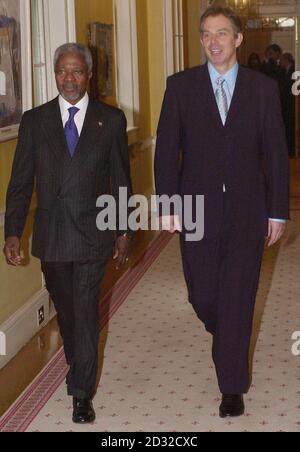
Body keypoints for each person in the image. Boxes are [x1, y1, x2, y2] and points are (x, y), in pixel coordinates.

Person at [155, 6, 289, 418]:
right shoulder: (181, 87)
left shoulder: (262, 89)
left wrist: (278, 212)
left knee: (239, 294)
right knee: (202, 295)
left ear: (237, 39)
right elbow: (165, 151)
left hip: (249, 210)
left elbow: (276, 155)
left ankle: (232, 387)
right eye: (206, 34)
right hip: (196, 210)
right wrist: (167, 203)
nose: (213, 41)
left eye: (222, 33)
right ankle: (225, 330)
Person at [3, 43, 133, 424]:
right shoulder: (35, 120)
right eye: (62, 71)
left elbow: (121, 181)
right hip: (53, 235)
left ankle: (81, 393)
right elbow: (20, 182)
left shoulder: (109, 120)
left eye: (77, 71)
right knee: (70, 313)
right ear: (55, 74)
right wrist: (13, 232)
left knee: (87, 311)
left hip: (95, 235)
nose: (70, 78)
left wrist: (124, 228)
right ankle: (81, 363)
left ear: (88, 75)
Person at [280, 52, 296, 157]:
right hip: (286, 105)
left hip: (291, 104)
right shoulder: (284, 71)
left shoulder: (294, 70)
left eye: (281, 60)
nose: (280, 62)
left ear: (286, 60)